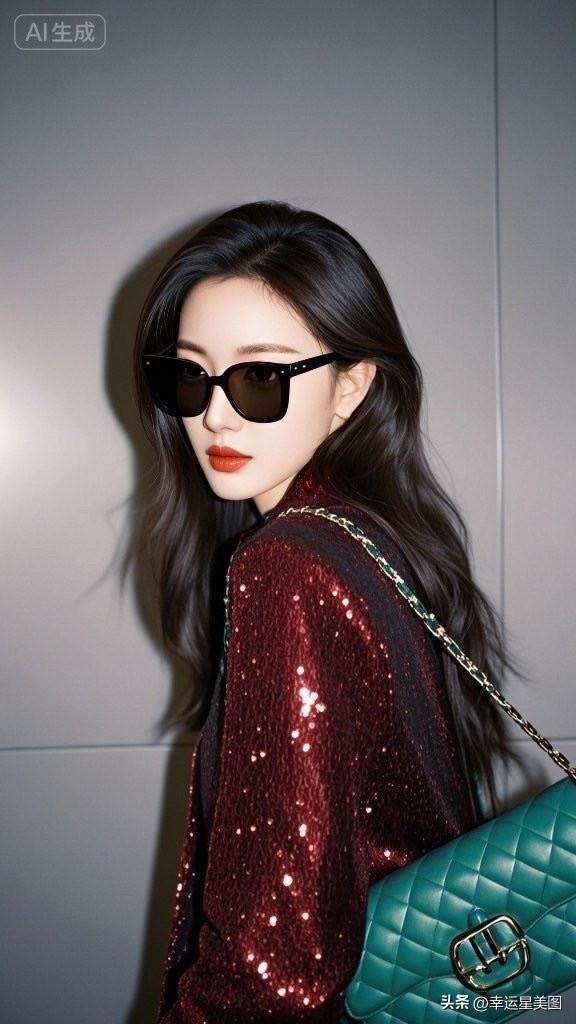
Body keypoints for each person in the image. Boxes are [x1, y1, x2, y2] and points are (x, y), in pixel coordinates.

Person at [133, 200, 525, 1023]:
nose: (214, 414)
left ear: (351, 387)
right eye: (190, 376)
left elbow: (270, 966)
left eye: (261, 378)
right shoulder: (373, 538)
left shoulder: (286, 565)